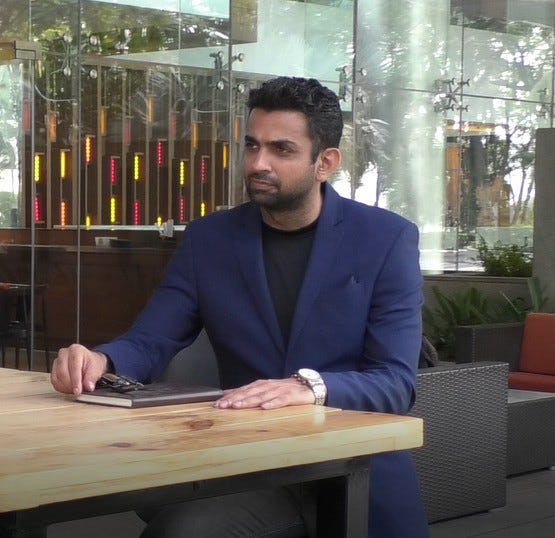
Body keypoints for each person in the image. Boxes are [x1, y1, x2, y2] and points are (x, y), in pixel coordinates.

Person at [51, 76, 428, 537]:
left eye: (281, 149)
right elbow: (151, 340)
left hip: (350, 468)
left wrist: (309, 387)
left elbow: (395, 383)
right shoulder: (210, 239)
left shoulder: (385, 239)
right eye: (252, 146)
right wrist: (101, 360)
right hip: (248, 463)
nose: (258, 163)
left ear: (325, 162)